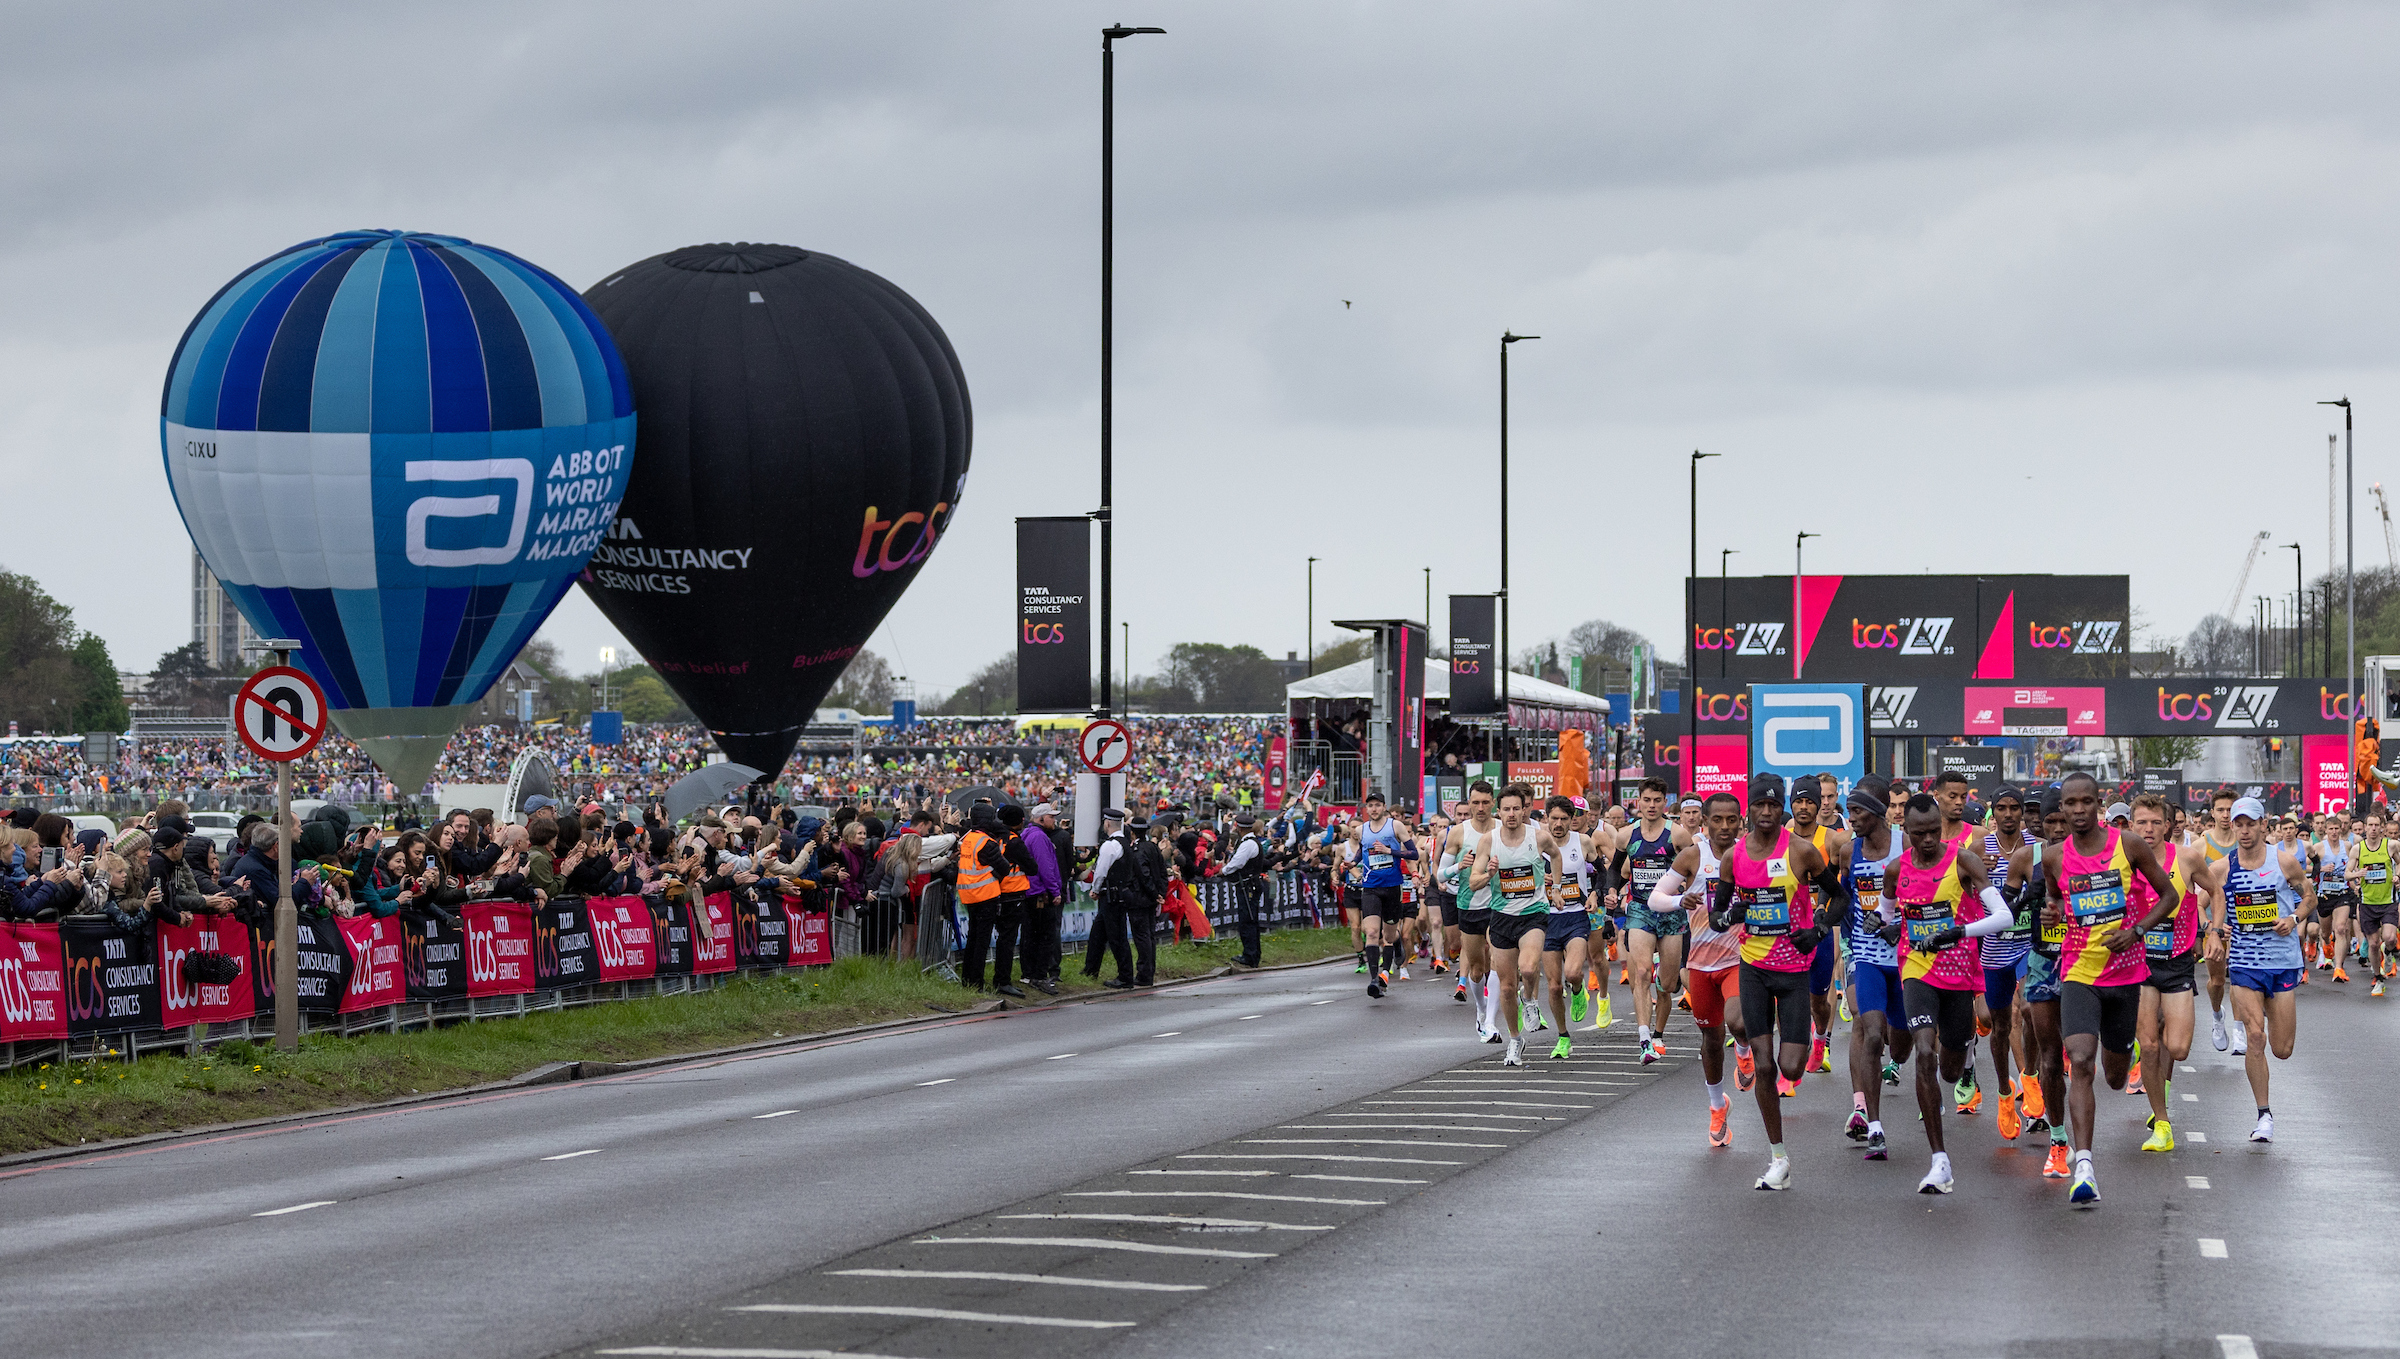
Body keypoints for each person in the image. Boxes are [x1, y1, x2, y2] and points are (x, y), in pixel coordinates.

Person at [2039, 772, 2181, 1206]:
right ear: (2061, 810)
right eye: (2070, 804)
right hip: (2079, 973)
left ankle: (2124, 1059)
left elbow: (2169, 896)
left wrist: (2137, 931)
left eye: (2086, 802)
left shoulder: (2128, 845)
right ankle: (2084, 1164)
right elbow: (2057, 902)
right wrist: (2053, 915)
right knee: (2079, 1061)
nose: (2078, 810)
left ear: (2099, 805)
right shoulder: (2054, 857)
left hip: (2125, 975)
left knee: (2115, 1077)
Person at [1707, 772, 1847, 1190]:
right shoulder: (1733, 857)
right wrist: (1729, 916)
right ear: (1749, 809)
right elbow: (1717, 915)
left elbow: (1839, 897)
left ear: (1781, 807)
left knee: (1790, 1066)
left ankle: (1802, 1039)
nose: (1766, 812)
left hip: (1793, 972)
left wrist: (1819, 929)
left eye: (1773, 805)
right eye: (1759, 805)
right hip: (1752, 968)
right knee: (1766, 1066)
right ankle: (1778, 1158)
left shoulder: (1802, 852)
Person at [1887, 793, 2011, 1194]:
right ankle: (1939, 1160)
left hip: (1959, 975)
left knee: (1950, 1069)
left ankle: (1960, 1061)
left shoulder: (1963, 861)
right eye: (1919, 833)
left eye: (1933, 832)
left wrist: (1960, 932)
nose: (1927, 840)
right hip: (1917, 970)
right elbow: (1887, 917)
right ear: (1905, 832)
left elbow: (2003, 916)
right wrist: (1884, 927)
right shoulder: (1896, 870)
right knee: (1924, 1051)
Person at [1648, 790, 1745, 1147]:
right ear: (1704, 821)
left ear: (1740, 821)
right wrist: (1679, 899)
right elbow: (1655, 898)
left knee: (1738, 1021)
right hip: (1702, 963)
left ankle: (1746, 1051)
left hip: (1739, 957)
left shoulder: (1748, 853)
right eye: (1716, 819)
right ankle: (1718, 1107)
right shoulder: (1693, 855)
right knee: (1713, 1039)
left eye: (1730, 820)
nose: (1724, 826)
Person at [2215, 795, 2314, 1144]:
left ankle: (2268, 1014)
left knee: (2282, 1049)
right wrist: (2215, 927)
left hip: (2283, 961)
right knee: (2255, 1036)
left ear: (2262, 826)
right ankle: (2264, 1116)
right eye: (2237, 823)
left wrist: (2293, 918)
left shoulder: (2283, 861)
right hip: (2244, 963)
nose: (2243, 830)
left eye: (2249, 824)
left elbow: (2309, 897)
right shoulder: (2224, 867)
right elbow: (2199, 897)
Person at [2128, 792, 2219, 1153]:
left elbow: (2216, 890)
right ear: (2131, 825)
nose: (2148, 829)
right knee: (2149, 1045)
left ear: (2167, 825)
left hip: (2178, 960)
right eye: (2141, 823)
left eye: (2155, 822)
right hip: (2139, 962)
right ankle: (2161, 1123)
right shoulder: (2123, 860)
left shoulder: (2187, 857)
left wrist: (2212, 931)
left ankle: (2157, 1069)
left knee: (2177, 1048)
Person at [1467, 781, 1563, 1066]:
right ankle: (1514, 1040)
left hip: (1533, 913)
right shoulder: (1489, 840)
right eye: (1506, 809)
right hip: (1501, 917)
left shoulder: (1539, 837)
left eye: (1516, 809)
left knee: (1530, 967)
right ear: (1499, 811)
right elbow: (1474, 882)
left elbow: (1556, 856)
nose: (1511, 814)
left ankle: (1531, 1000)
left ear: (1524, 810)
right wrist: (1489, 874)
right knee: (1507, 987)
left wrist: (1555, 888)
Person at [1838, 777, 1908, 1161]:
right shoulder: (1849, 853)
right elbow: (1843, 898)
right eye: (1848, 812)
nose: (1851, 819)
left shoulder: (1906, 845)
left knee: (1902, 1043)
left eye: (1857, 812)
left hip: (1905, 958)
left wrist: (1903, 925)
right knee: (1870, 1032)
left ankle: (1897, 1062)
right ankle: (1874, 1124)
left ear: (1878, 813)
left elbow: (1930, 894)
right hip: (1865, 955)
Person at [1977, 785, 2040, 1139]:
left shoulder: (2036, 848)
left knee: (2029, 1009)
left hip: (2027, 944)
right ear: (1993, 812)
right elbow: (1962, 894)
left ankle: (2029, 1074)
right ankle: (2004, 1090)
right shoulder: (1979, 849)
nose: (2009, 814)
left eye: (2015, 807)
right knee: (1999, 1025)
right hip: (1992, 949)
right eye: (2002, 807)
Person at [1613, 777, 1686, 1065]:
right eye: (1647, 800)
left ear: (1664, 803)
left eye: (1657, 800)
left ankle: (1658, 1031)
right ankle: (1644, 1040)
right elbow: (1615, 871)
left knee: (1667, 984)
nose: (1652, 805)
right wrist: (1609, 890)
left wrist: (1683, 889)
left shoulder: (1677, 835)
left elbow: (1693, 870)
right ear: (1638, 802)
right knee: (1640, 972)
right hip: (1640, 909)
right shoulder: (1625, 836)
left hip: (1670, 912)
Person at [1787, 780, 1850, 1087]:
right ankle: (1787, 1065)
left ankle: (1821, 1037)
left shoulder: (1832, 839)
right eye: (1799, 802)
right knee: (1785, 997)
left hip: (1820, 928)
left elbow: (1840, 886)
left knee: (1817, 1001)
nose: (1805, 807)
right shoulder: (1781, 837)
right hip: (1786, 929)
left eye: (1810, 802)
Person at [1440, 781, 1503, 1043]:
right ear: (1469, 802)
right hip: (1469, 906)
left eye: (1485, 802)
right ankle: (1481, 1009)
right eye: (1475, 802)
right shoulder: (1458, 833)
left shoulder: (1503, 828)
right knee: (1477, 970)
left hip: (1500, 905)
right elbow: (1439, 876)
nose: (1480, 807)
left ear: (1493, 803)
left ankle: (1490, 1022)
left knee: (1498, 963)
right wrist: (1458, 867)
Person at [1539, 795, 1598, 1058]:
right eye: (1555, 818)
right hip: (1546, 919)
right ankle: (1563, 1037)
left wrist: (1595, 892)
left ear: (1572, 819)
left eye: (1565, 818)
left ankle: (1577, 989)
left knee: (1573, 972)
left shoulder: (1582, 841)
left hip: (1575, 915)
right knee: (1552, 986)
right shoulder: (1537, 845)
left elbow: (1601, 868)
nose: (1559, 823)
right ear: (1546, 818)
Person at [1350, 791, 1418, 996]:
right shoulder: (1362, 829)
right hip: (1370, 887)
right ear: (1366, 808)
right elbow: (1361, 852)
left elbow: (1413, 853)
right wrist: (1351, 864)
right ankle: (1374, 980)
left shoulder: (1395, 826)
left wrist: (1390, 852)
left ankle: (1397, 943)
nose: (1373, 809)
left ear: (1384, 807)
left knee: (1389, 935)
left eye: (1377, 805)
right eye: (1370, 805)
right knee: (1371, 932)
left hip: (1391, 887)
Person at [2354, 809, 2400, 995]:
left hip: (2388, 900)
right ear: (2365, 828)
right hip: (2368, 902)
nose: (2373, 829)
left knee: (2389, 937)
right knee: (2373, 944)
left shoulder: (2391, 845)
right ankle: (2378, 976)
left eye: (2376, 825)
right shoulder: (2358, 848)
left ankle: (2388, 952)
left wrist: (2397, 875)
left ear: (2382, 828)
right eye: (2370, 825)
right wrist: (2356, 875)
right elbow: (2348, 872)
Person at [1221, 811, 1272, 970]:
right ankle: (1253, 954)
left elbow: (1237, 863)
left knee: (1247, 920)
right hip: (1251, 885)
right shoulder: (1251, 842)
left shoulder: (1248, 844)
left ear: (1239, 828)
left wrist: (1223, 871)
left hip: (1247, 886)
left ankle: (1249, 955)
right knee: (1251, 920)